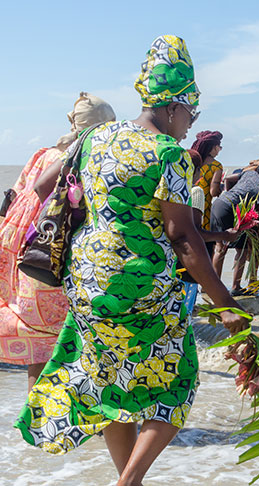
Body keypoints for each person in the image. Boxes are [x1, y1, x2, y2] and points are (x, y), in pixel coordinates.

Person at [14, 36, 249, 486]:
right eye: (190, 115)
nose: (188, 126)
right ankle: (129, 482)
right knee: (176, 386)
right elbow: (182, 237)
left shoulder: (95, 136)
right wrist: (227, 304)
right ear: (174, 105)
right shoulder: (169, 154)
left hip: (86, 280)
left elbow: (42, 189)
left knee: (110, 384)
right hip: (139, 281)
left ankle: (127, 478)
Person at [0, 92, 115, 392]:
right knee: (73, 342)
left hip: (29, 256)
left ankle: (35, 416)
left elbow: (16, 200)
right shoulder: (82, 157)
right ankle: (79, 421)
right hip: (57, 260)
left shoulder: (42, 154)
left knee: (38, 344)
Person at [211, 157, 259, 295]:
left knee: (220, 248)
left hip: (219, 204)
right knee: (242, 250)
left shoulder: (250, 173)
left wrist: (228, 193)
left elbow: (228, 179)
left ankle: (213, 287)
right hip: (230, 210)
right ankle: (236, 286)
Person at [180, 149, 241, 313]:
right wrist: (225, 235)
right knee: (184, 316)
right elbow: (194, 233)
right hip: (186, 266)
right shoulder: (196, 191)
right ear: (196, 171)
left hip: (165, 267)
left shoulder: (167, 191)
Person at [191, 130, 223, 231]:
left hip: (187, 207)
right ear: (214, 147)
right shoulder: (216, 166)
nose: (220, 149)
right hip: (203, 209)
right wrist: (220, 187)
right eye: (220, 147)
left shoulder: (192, 160)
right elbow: (213, 192)